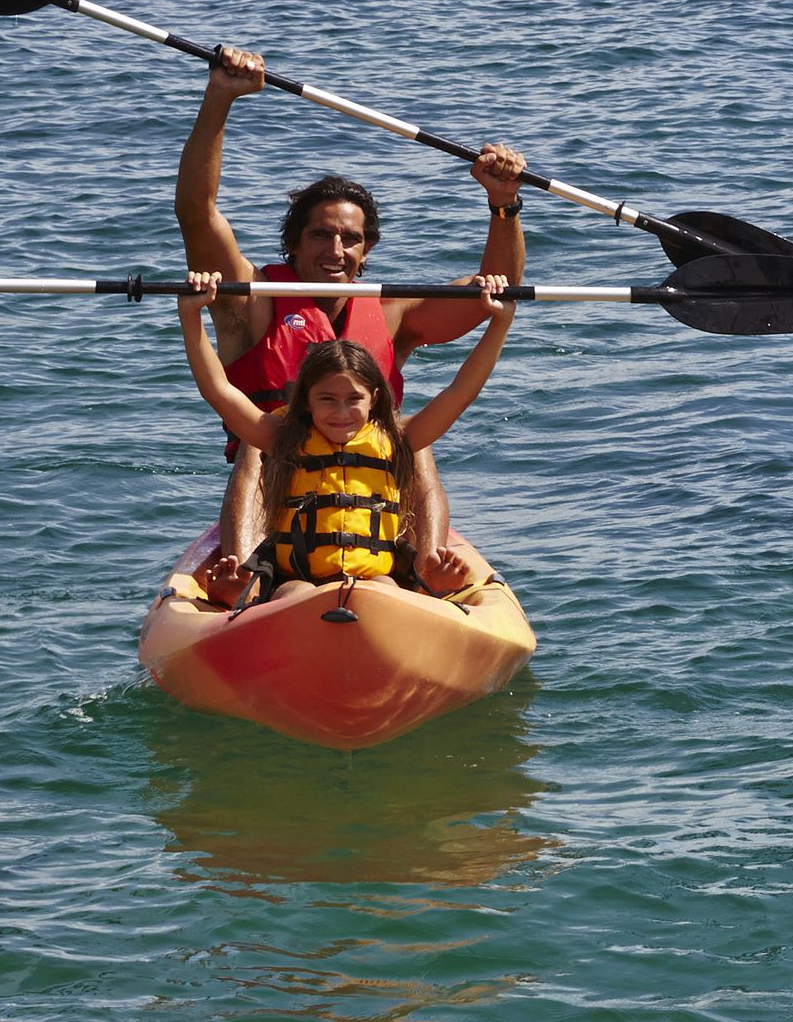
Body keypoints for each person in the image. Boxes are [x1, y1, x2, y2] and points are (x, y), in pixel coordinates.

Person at [176, 44, 530, 604]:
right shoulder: (254, 301)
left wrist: (503, 203)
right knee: (260, 439)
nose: (335, 250)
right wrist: (220, 96)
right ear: (292, 245)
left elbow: (496, 292)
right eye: (319, 235)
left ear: (367, 251)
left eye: (350, 239)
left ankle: (428, 571)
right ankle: (241, 575)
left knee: (412, 439)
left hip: (374, 495)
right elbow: (198, 213)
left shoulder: (394, 313)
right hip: (279, 502)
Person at [177, 277, 515, 598]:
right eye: (327, 399)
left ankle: (427, 588)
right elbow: (218, 390)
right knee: (296, 593)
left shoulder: (400, 438)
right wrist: (191, 313)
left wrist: (500, 323)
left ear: (375, 400)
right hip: (299, 578)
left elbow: (462, 390)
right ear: (306, 401)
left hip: (374, 577)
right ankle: (243, 595)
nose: (341, 413)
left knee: (385, 589)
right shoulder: (281, 436)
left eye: (353, 399)